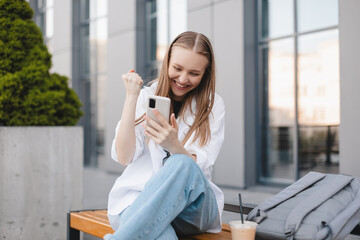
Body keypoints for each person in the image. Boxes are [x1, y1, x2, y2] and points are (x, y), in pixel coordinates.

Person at [104, 31, 225, 240]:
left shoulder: (213, 106)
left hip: (193, 209)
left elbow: (197, 170)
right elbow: (124, 157)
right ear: (167, 62)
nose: (183, 79)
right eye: (177, 68)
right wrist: (132, 97)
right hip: (138, 201)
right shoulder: (145, 97)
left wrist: (174, 146)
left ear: (205, 74)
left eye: (194, 73)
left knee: (183, 163)